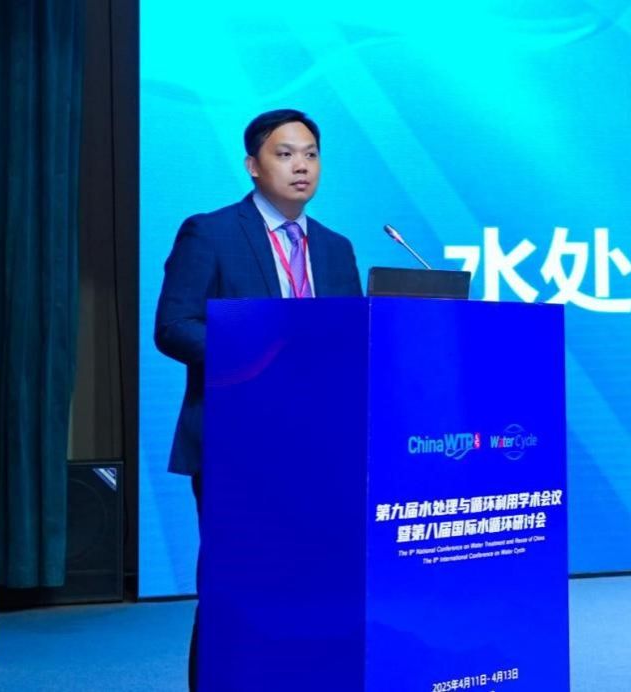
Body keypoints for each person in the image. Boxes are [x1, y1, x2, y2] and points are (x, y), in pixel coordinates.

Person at [153, 109, 362, 691]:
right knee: (236, 585)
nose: (301, 166)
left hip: (318, 449)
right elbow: (173, 327)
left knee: (311, 583)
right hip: (236, 442)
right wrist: (260, 355)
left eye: (311, 154)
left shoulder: (335, 248)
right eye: (285, 153)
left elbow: (347, 340)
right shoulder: (211, 232)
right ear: (253, 165)